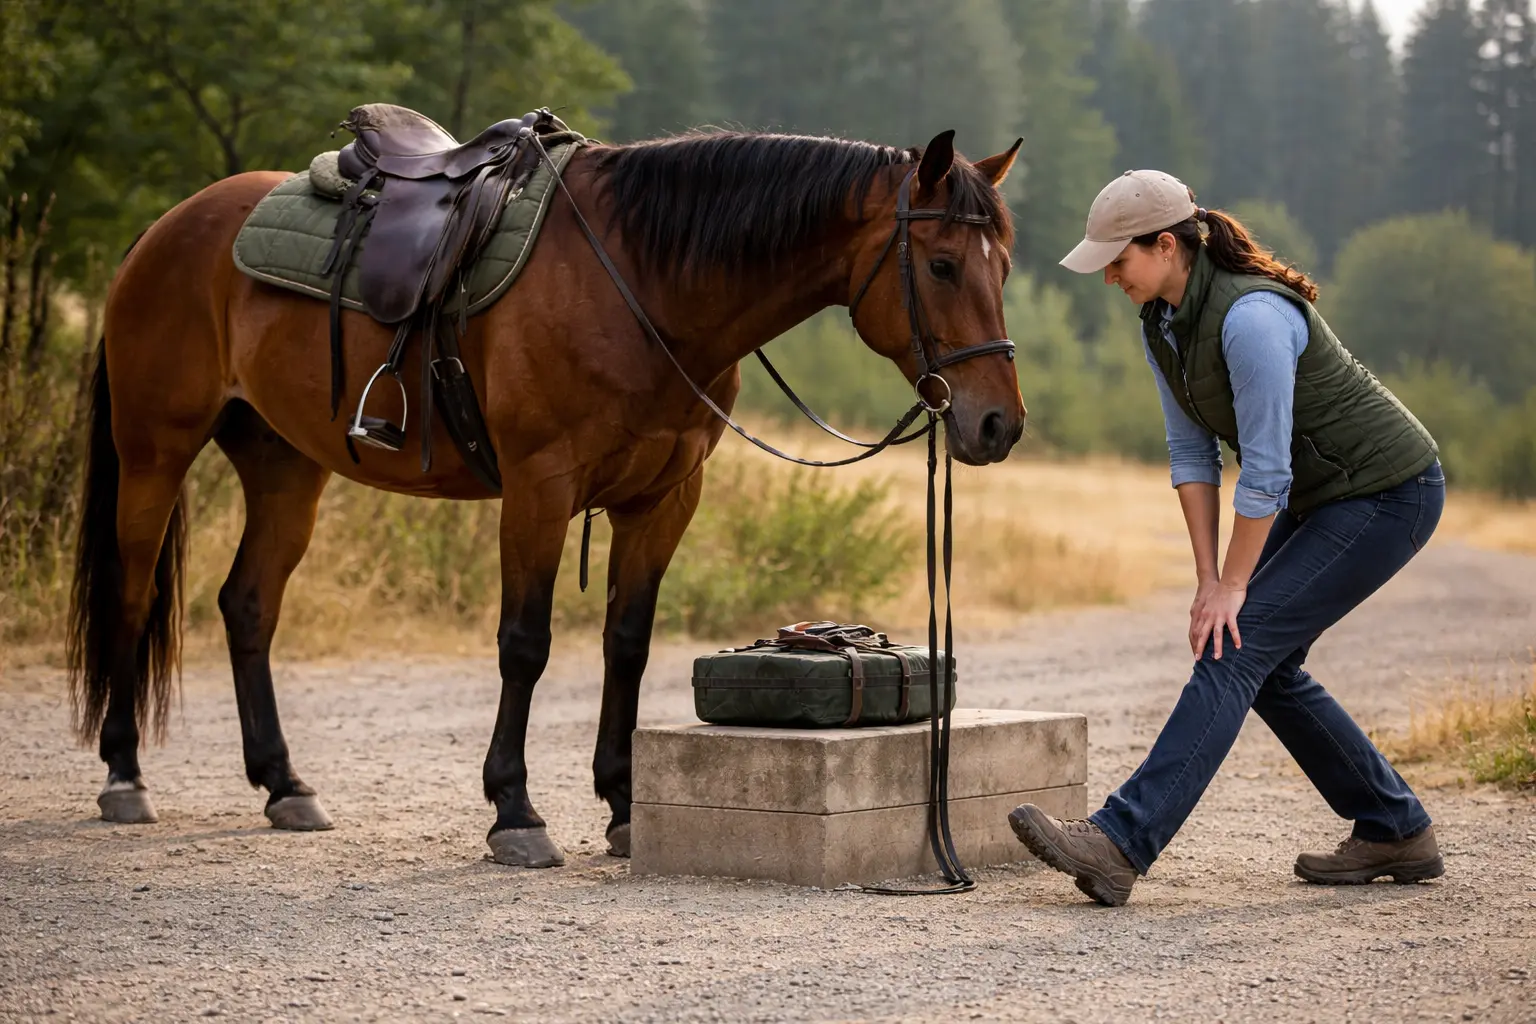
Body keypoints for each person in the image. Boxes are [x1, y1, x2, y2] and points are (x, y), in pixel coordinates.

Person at [1008, 170, 1446, 907]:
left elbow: (1266, 473)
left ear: (1168, 245)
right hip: (1326, 495)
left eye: (1120, 259)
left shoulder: (1251, 320)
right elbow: (1192, 457)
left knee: (1235, 645)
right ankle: (1394, 826)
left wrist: (1234, 588)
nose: (1110, 275)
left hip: (1387, 492)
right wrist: (1209, 578)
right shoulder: (1163, 325)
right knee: (1253, 654)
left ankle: (1121, 840)